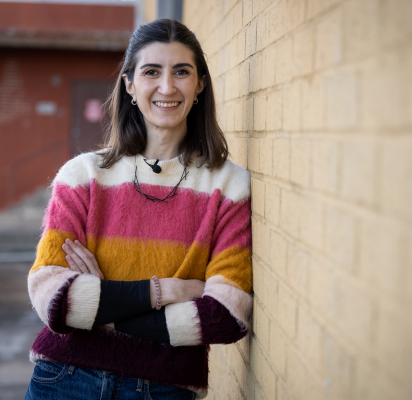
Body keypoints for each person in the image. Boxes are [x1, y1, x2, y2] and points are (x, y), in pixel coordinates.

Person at [24, 19, 252, 400]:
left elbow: (226, 316)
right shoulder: (82, 176)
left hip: (162, 388)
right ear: (130, 85)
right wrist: (168, 290)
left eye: (182, 72)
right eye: (151, 72)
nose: (167, 87)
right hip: (64, 379)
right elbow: (53, 298)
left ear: (199, 85)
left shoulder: (227, 186)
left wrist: (104, 311)